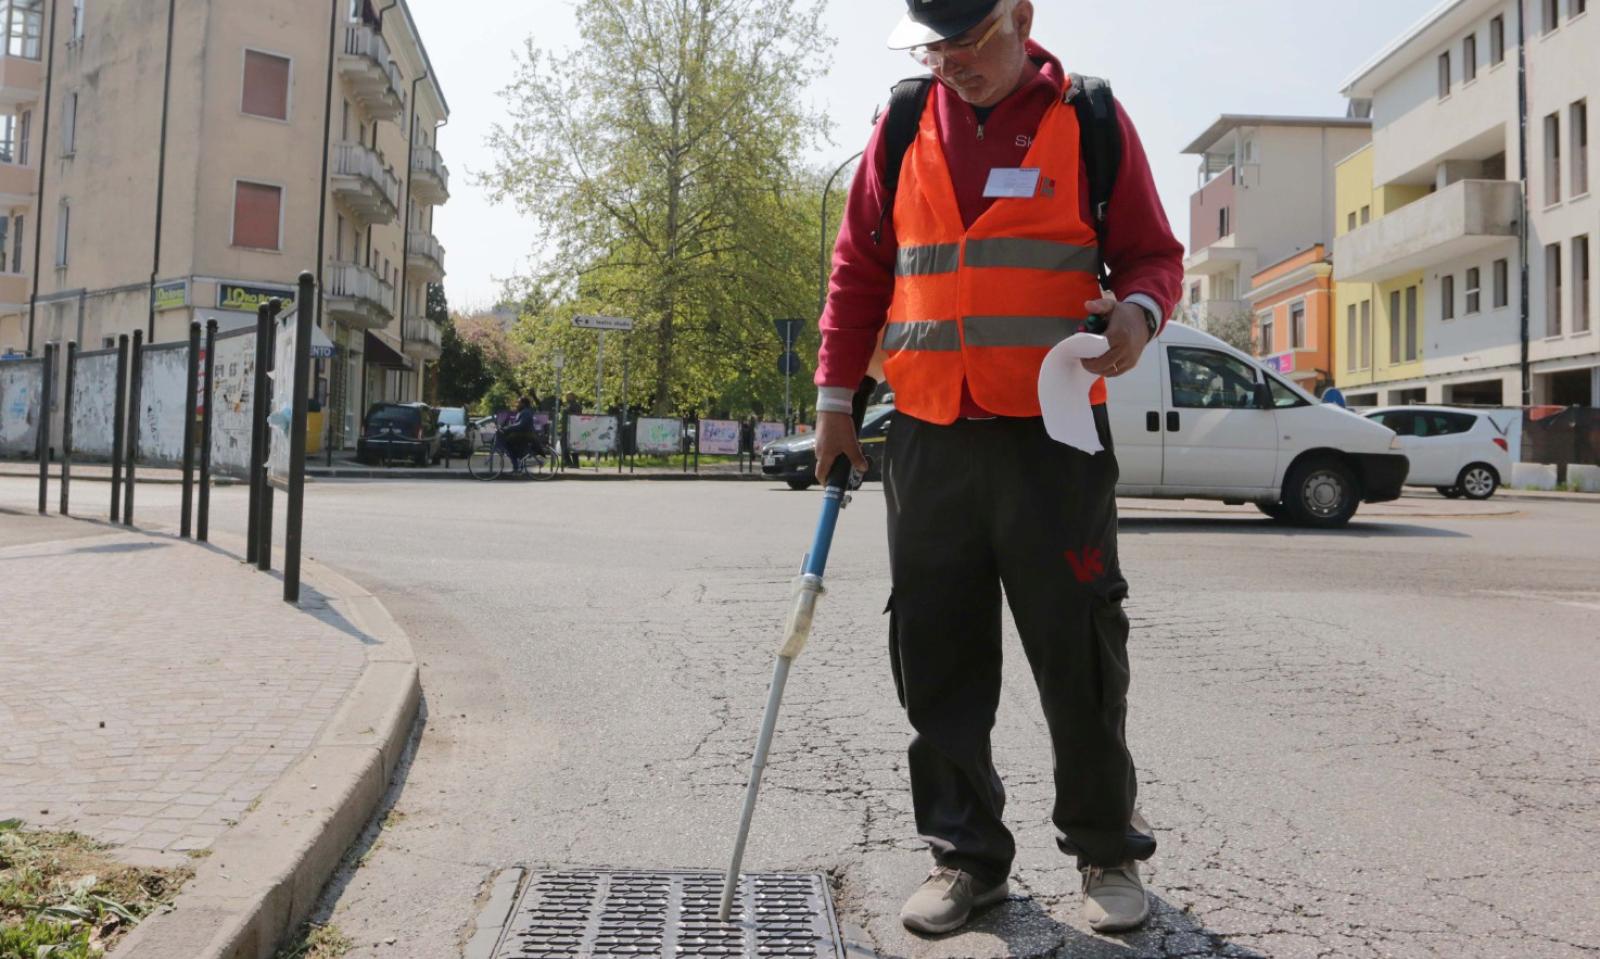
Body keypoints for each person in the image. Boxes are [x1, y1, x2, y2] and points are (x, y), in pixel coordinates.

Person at [812, 0, 1183, 937]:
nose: (951, 61)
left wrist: (1138, 313)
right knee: (935, 654)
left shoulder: (1088, 119)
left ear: (1020, 14)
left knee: (1081, 652)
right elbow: (860, 268)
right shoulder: (903, 123)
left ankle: (1104, 846)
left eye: (969, 41)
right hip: (930, 436)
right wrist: (833, 401)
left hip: (1055, 439)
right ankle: (966, 857)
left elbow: (1150, 254)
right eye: (934, 44)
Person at [500, 395, 544, 465]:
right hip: (523, 434)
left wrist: (508, 428)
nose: (517, 404)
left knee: (507, 443)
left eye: (519, 403)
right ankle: (519, 458)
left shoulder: (526, 412)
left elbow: (521, 425)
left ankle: (516, 466)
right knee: (511, 443)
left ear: (523, 404)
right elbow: (517, 424)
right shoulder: (523, 411)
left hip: (525, 435)